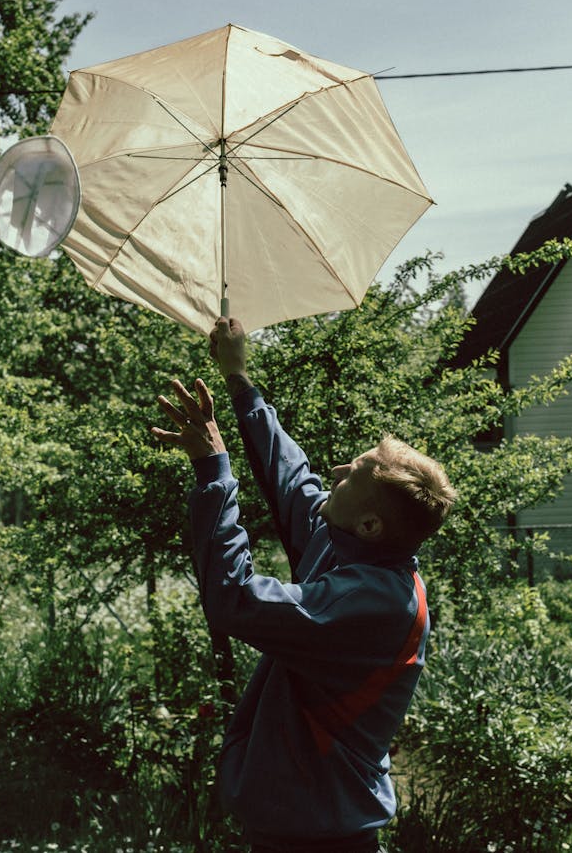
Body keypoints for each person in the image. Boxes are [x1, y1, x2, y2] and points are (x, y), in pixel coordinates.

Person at [152, 316, 456, 853]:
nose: (335, 469)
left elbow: (235, 600)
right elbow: (294, 479)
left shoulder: (375, 604)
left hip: (322, 837)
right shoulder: (350, 549)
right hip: (299, 821)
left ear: (370, 524)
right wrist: (238, 379)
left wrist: (214, 472)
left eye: (352, 473)